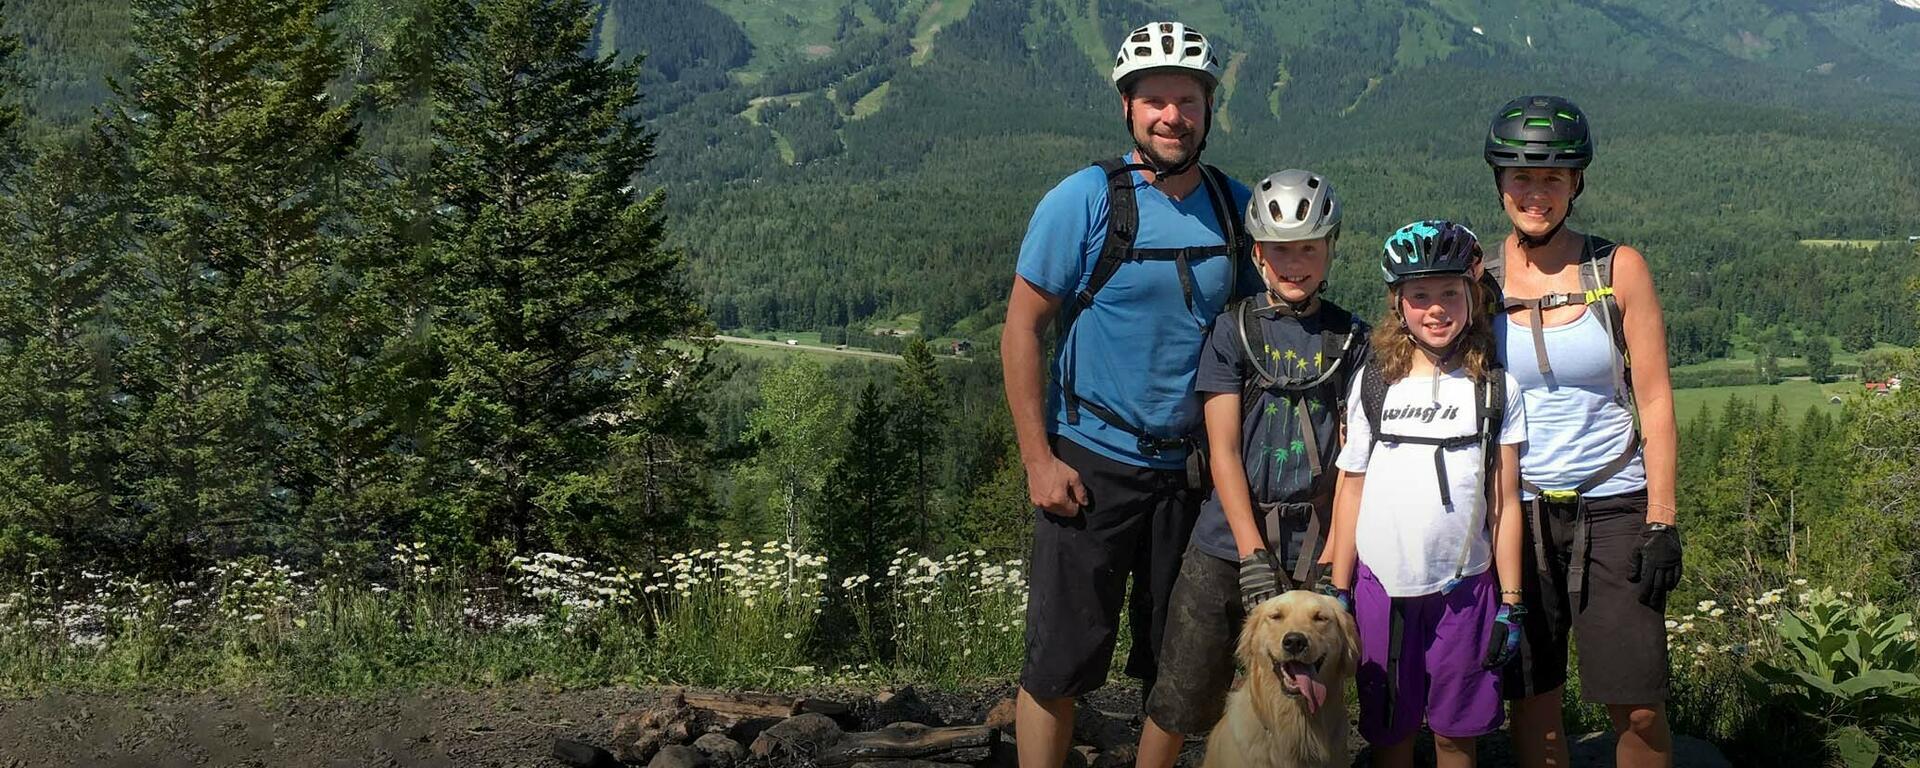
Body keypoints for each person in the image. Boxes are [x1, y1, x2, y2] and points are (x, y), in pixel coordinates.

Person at [998, 21, 1259, 768]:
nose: (1173, 115)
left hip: (1193, 473)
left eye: (1188, 99)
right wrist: (1038, 460)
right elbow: (1022, 330)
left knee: (1177, 664)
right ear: (1127, 108)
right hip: (1090, 462)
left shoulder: (1234, 206)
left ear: (1209, 109)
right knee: (1060, 660)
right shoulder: (1082, 201)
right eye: (1156, 100)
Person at [1136, 169, 1369, 768]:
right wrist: (1250, 554)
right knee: (1183, 691)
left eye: (1309, 248)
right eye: (1281, 251)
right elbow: (1223, 451)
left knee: (1317, 691)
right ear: (1259, 255)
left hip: (1316, 539)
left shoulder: (1351, 340)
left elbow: (1355, 461)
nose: (1295, 263)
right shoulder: (1234, 331)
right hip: (1230, 535)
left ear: (1330, 249)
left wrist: (1334, 560)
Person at [1479, 95, 1682, 768]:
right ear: (1500, 181)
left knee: (1640, 700)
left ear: (1575, 185)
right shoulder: (1476, 281)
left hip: (1616, 499)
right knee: (1531, 696)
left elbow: (1653, 397)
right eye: (1521, 177)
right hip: (1521, 506)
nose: (1535, 193)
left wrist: (1663, 518)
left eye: (1552, 179)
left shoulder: (1617, 268)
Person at [1329, 220, 1528, 768]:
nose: (1435, 308)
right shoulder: (1374, 381)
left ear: (1472, 295)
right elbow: (1353, 485)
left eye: (1449, 293)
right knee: (1389, 734)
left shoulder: (1495, 388)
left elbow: (1504, 502)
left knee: (1455, 735)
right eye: (1419, 295)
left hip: (1465, 588)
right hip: (1381, 586)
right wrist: (1337, 585)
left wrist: (1511, 602)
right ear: (1398, 303)